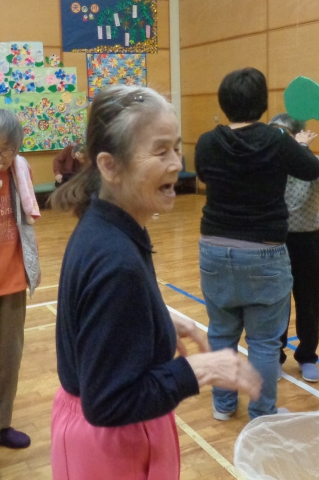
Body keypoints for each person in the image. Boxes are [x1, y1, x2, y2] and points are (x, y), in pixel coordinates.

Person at [48, 85, 261, 480]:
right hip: (110, 449)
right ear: (110, 166)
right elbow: (108, 402)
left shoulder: (105, 226)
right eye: (160, 151)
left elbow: (97, 322)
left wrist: (156, 318)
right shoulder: (116, 261)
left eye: (176, 148)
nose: (177, 163)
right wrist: (199, 370)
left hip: (102, 438)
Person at [194, 68, 319, 420]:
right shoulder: (277, 140)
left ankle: (223, 406)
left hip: (214, 247)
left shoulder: (207, 142)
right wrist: (299, 145)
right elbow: (312, 170)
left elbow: (204, 175)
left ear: (224, 102)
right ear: (263, 103)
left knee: (221, 333)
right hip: (264, 250)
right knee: (264, 342)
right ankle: (263, 413)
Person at [0, 109, 41, 480]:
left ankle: (1, 425)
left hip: (14, 279)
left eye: (5, 150)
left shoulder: (20, 170)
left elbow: (27, 219)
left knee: (8, 361)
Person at [269, 113, 319, 383]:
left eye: (283, 134)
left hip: (308, 242)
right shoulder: (269, 164)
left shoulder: (312, 163)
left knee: (309, 301)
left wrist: (303, 150)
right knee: (276, 302)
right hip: (276, 242)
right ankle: (275, 357)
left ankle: (307, 356)